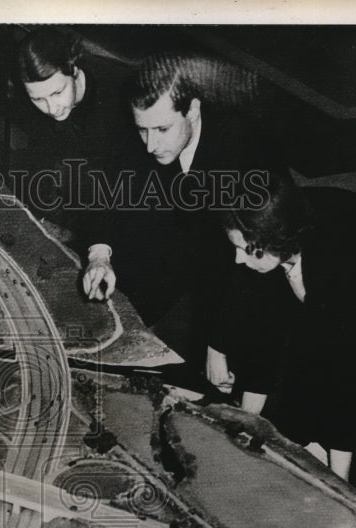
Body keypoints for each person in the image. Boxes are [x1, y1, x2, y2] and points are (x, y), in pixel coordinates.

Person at [207, 171, 356, 491]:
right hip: (332, 288)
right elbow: (264, 332)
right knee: (305, 388)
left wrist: (339, 481)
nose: (237, 258)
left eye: (244, 249)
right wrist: (246, 424)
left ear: (276, 243)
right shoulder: (266, 239)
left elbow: (345, 384)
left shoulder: (337, 268)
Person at [79, 52, 285, 379]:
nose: (150, 145)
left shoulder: (244, 150)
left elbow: (255, 265)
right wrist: (100, 255)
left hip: (231, 269)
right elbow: (106, 187)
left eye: (162, 129)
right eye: (143, 130)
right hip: (169, 253)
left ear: (193, 109)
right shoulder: (146, 128)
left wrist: (219, 344)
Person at [14, 28, 130, 243]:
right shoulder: (36, 98)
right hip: (87, 177)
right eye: (38, 99)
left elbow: (126, 181)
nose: (51, 108)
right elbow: (41, 158)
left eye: (57, 93)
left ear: (74, 70)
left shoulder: (119, 95)